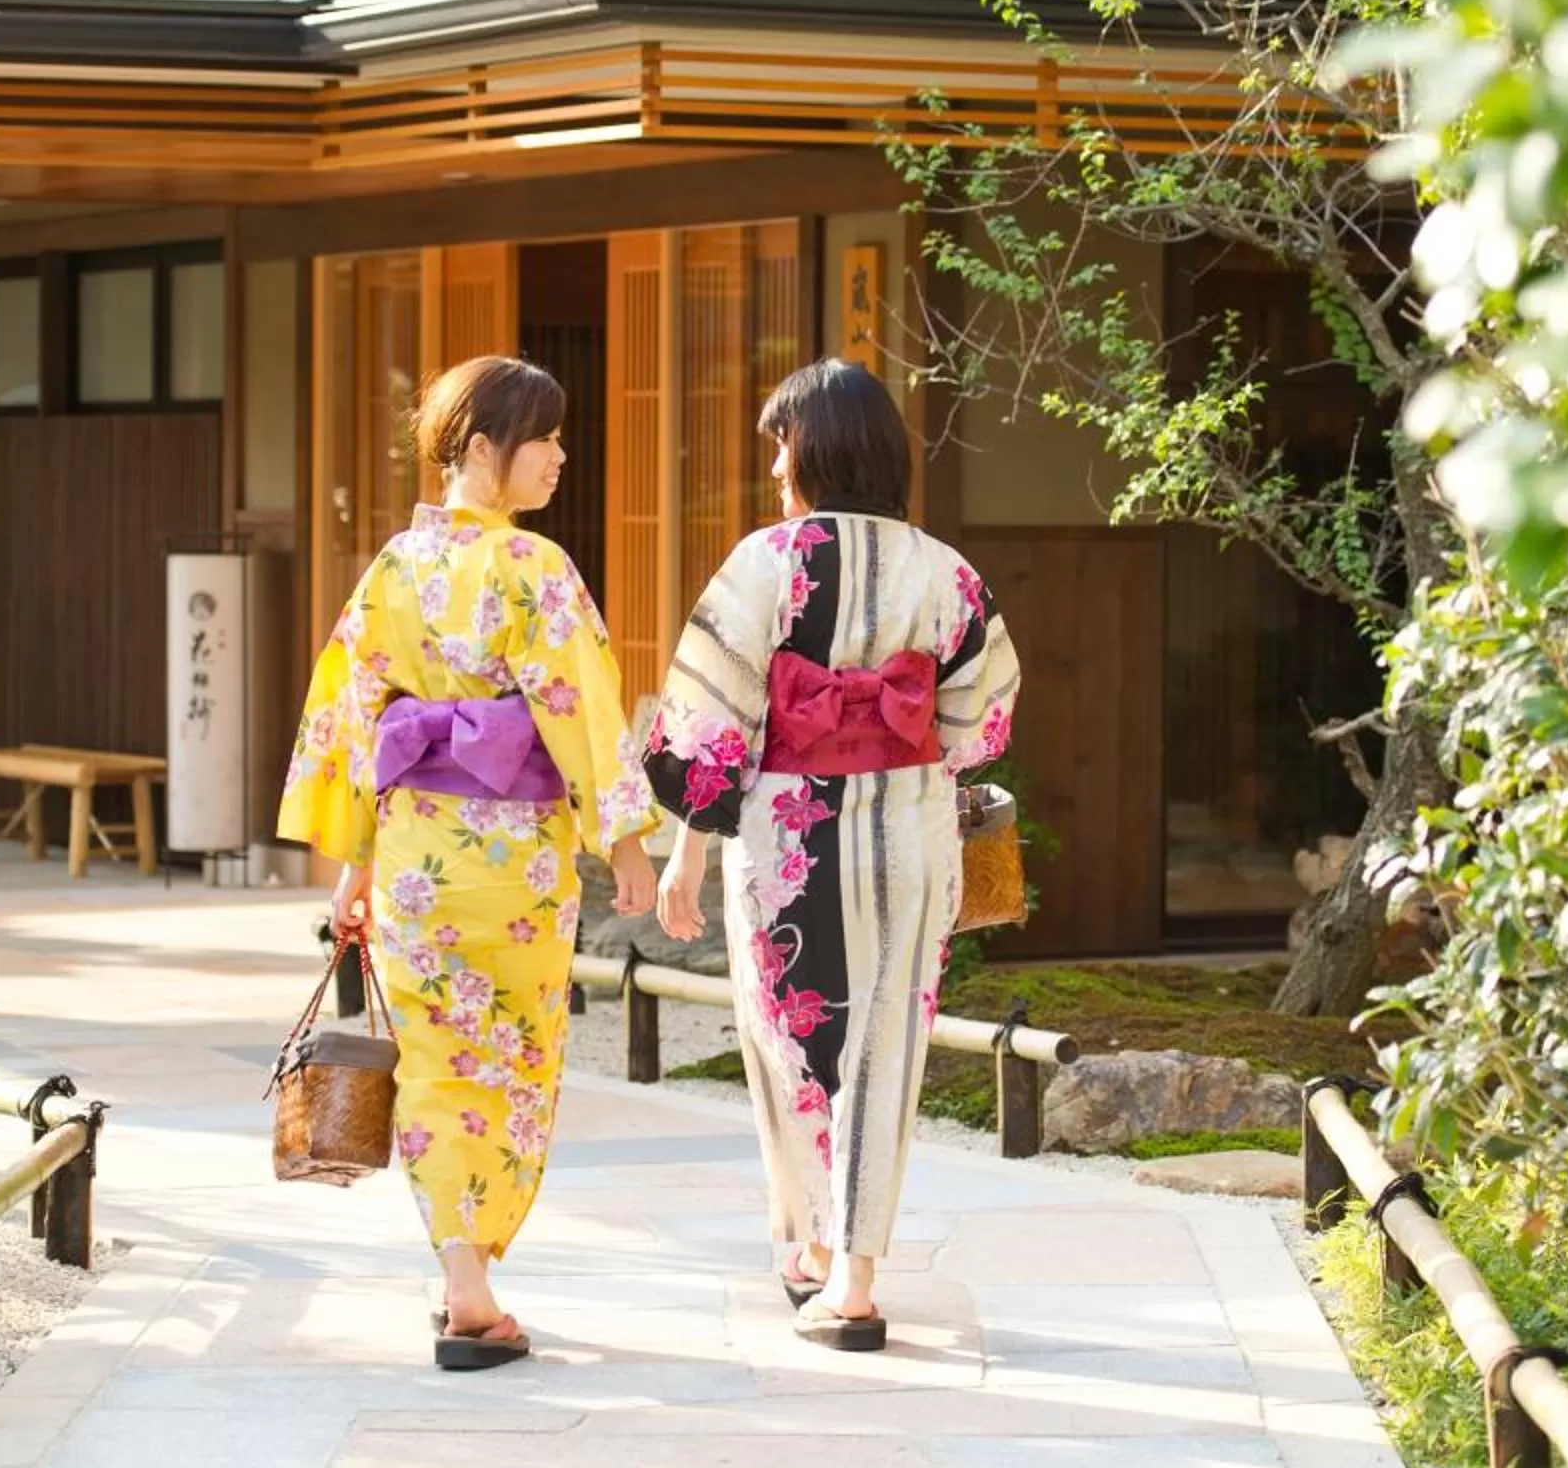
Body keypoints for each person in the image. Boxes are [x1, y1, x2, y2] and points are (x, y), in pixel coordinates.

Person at [280, 355, 658, 1371]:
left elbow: (353, 718)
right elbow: (582, 705)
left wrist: (356, 864)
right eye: (547, 437)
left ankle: (461, 1271)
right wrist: (623, 838)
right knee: (518, 1063)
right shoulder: (536, 571)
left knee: (441, 1067)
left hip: (414, 858)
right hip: (519, 865)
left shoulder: (392, 572)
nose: (562, 456)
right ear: (484, 449)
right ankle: (472, 1282)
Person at [648, 359, 1020, 1352]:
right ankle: (851, 1273)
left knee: (787, 1040)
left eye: (781, 443)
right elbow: (982, 725)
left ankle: (813, 1246)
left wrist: (685, 851)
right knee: (887, 1048)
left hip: (786, 838)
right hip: (907, 832)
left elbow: (708, 727)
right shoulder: (945, 571)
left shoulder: (763, 563)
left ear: (815, 450)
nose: (773, 465)